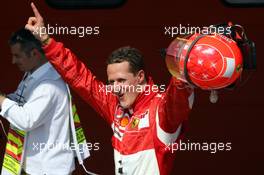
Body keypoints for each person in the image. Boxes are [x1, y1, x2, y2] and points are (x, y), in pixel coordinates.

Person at [25, 2, 194, 175]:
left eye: (121, 80)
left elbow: (177, 97)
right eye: (111, 82)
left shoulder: (160, 110)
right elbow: (80, 78)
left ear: (140, 77)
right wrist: (45, 39)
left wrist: (186, 63)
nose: (115, 88)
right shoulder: (114, 105)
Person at [0, 28, 76, 175]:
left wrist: (1, 100)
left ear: (34, 53)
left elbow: (26, 120)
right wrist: (4, 99)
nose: (13, 61)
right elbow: (19, 100)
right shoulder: (32, 75)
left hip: (48, 170)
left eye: (17, 55)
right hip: (35, 167)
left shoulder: (49, 84)